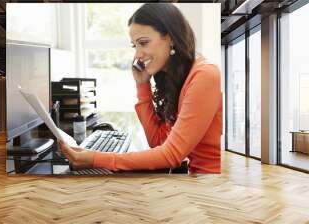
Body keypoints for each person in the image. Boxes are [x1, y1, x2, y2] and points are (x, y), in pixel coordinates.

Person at [59, 3, 222, 174]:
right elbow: (158, 142)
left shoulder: (204, 75)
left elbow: (171, 155)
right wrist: (142, 84)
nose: (137, 54)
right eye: (135, 46)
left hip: (212, 188)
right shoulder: (177, 78)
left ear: (171, 38)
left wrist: (96, 158)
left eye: (143, 43)